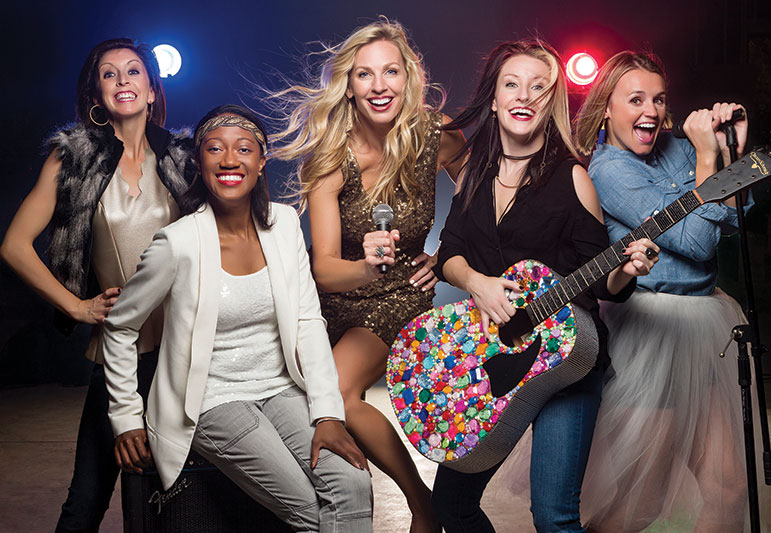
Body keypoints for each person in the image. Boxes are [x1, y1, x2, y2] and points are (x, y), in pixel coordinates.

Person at [102, 104, 373, 532]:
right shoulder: (178, 243)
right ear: (199, 162)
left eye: (244, 149)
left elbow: (307, 322)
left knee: (353, 485)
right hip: (211, 400)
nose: (230, 160)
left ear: (261, 162)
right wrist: (126, 417)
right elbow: (119, 326)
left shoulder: (284, 225)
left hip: (282, 390)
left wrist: (328, 415)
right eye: (215, 149)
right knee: (310, 509)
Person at [427, 40, 659, 533]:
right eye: (511, 84)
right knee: (450, 502)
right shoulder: (474, 174)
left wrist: (626, 269)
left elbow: (606, 281)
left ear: (549, 102)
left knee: (553, 517)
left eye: (538, 87)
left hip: (567, 360)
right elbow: (449, 253)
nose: (523, 96)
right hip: (494, 356)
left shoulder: (573, 177)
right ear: (494, 98)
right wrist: (479, 284)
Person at [267, 19, 465, 530]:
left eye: (390, 72)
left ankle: (423, 506)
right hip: (333, 296)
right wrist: (364, 264)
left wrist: (444, 254)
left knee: (334, 389)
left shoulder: (436, 136)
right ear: (349, 86)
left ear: (409, 78)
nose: (379, 86)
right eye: (364, 75)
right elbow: (326, 269)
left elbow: (485, 206)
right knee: (296, 401)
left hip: (398, 295)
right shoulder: (332, 156)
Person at [0, 38, 193, 531]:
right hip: (119, 352)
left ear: (152, 90)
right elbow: (15, 245)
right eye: (109, 74)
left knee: (175, 502)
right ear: (97, 93)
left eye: (133, 71)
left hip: (185, 351)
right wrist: (77, 307)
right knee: (86, 500)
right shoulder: (73, 159)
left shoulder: (183, 158)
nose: (123, 80)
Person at [573, 51, 754, 532]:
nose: (650, 110)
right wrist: (707, 157)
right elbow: (697, 243)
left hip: (705, 326)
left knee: (727, 487)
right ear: (606, 108)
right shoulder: (609, 171)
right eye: (635, 99)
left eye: (658, 98)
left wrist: (730, 148)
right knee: (644, 498)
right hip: (650, 335)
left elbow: (733, 219)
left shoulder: (676, 147)